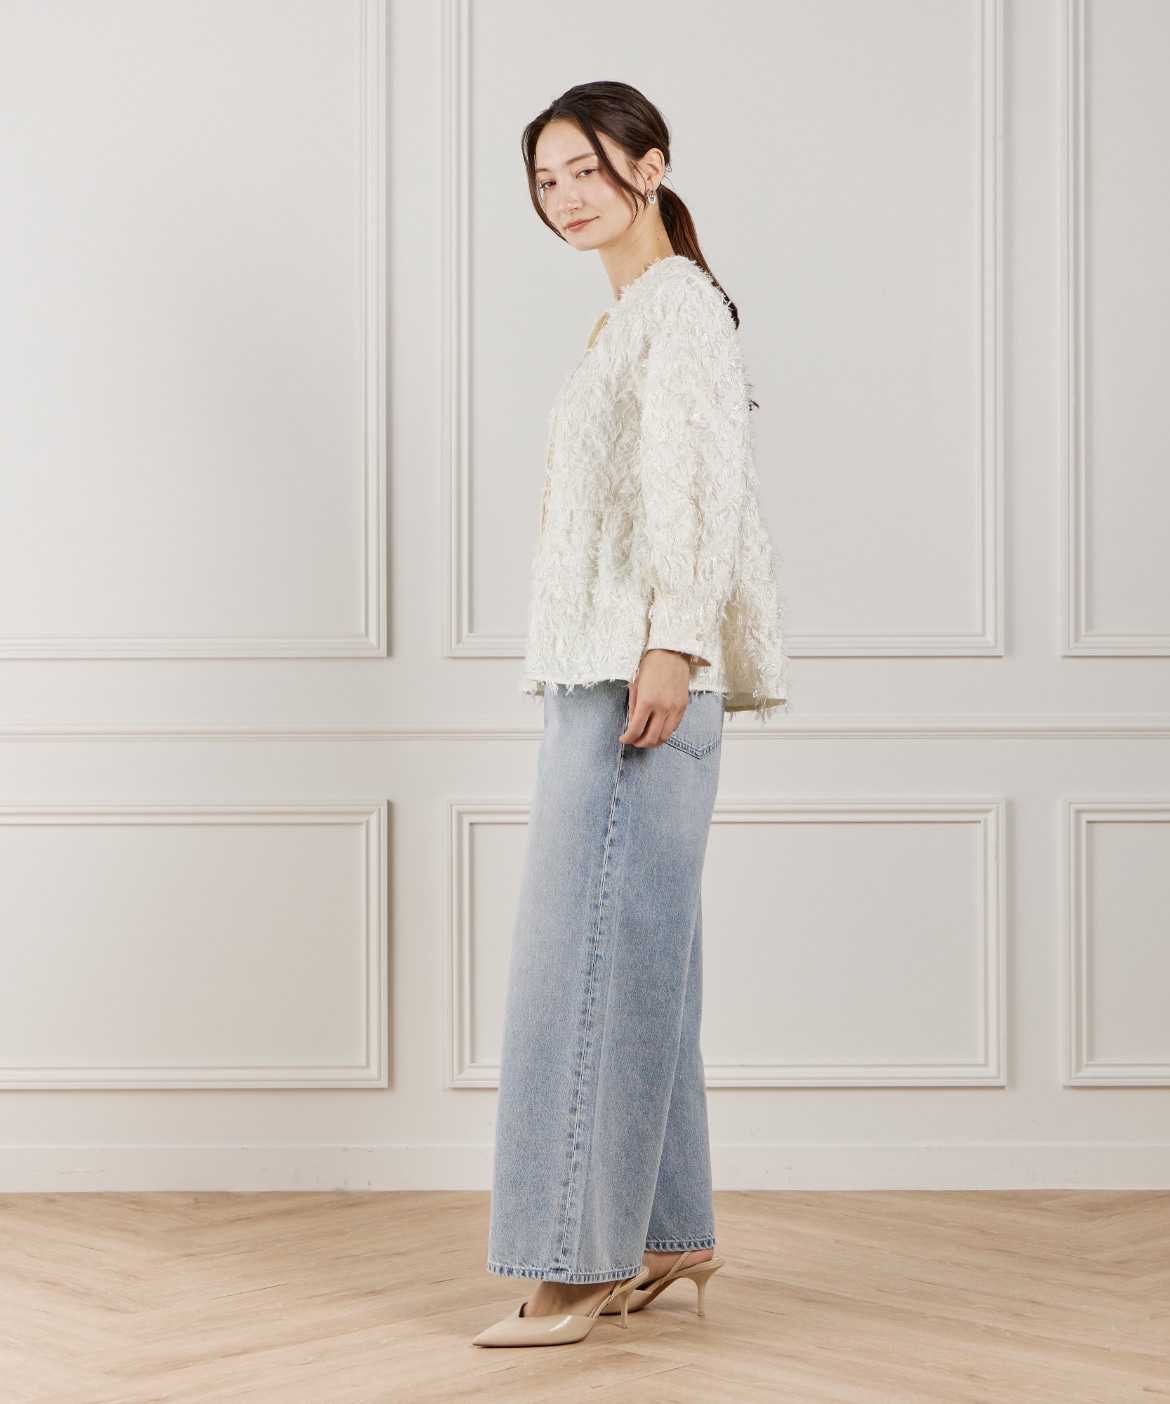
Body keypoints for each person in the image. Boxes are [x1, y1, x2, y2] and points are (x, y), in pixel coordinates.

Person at [472, 80, 789, 1349]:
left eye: (586, 169)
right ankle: (669, 1232)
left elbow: (694, 489)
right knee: (642, 962)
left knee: (578, 969)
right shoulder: (637, 314)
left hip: (635, 679)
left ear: (649, 165)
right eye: (545, 180)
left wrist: (672, 641)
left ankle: (574, 1260)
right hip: (609, 671)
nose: (565, 196)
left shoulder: (676, 308)